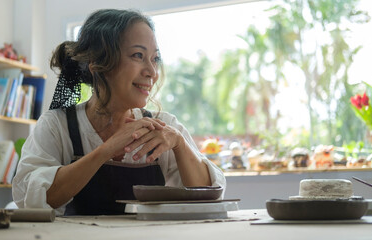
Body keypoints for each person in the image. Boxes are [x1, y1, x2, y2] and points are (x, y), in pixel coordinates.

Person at [12, 9, 226, 216]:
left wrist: (179, 144)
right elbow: (31, 199)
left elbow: (207, 198)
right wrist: (107, 149)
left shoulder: (165, 127)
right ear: (98, 64)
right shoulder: (57, 126)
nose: (151, 72)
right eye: (138, 55)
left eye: (155, 58)